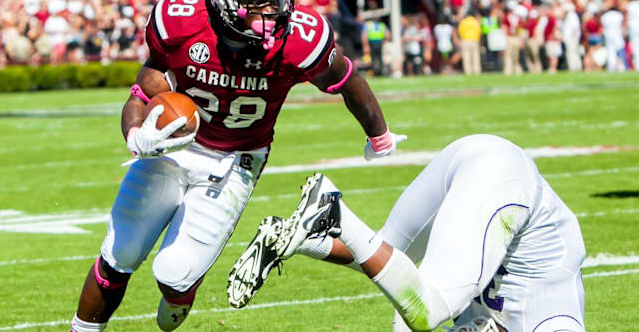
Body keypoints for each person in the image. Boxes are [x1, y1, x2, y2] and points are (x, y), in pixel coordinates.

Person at [69, 0, 405, 332]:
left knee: (173, 273)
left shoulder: (301, 38)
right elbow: (144, 89)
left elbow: (347, 80)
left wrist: (379, 134)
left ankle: (181, 295)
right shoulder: (180, 19)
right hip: (174, 146)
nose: (271, 11)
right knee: (120, 250)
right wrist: (136, 135)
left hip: (235, 160)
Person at [229, 134, 586, 332]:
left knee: (385, 254)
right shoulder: (554, 322)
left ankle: (301, 237)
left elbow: (399, 284)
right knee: (427, 310)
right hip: (505, 181)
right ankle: (333, 208)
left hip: (482, 157)